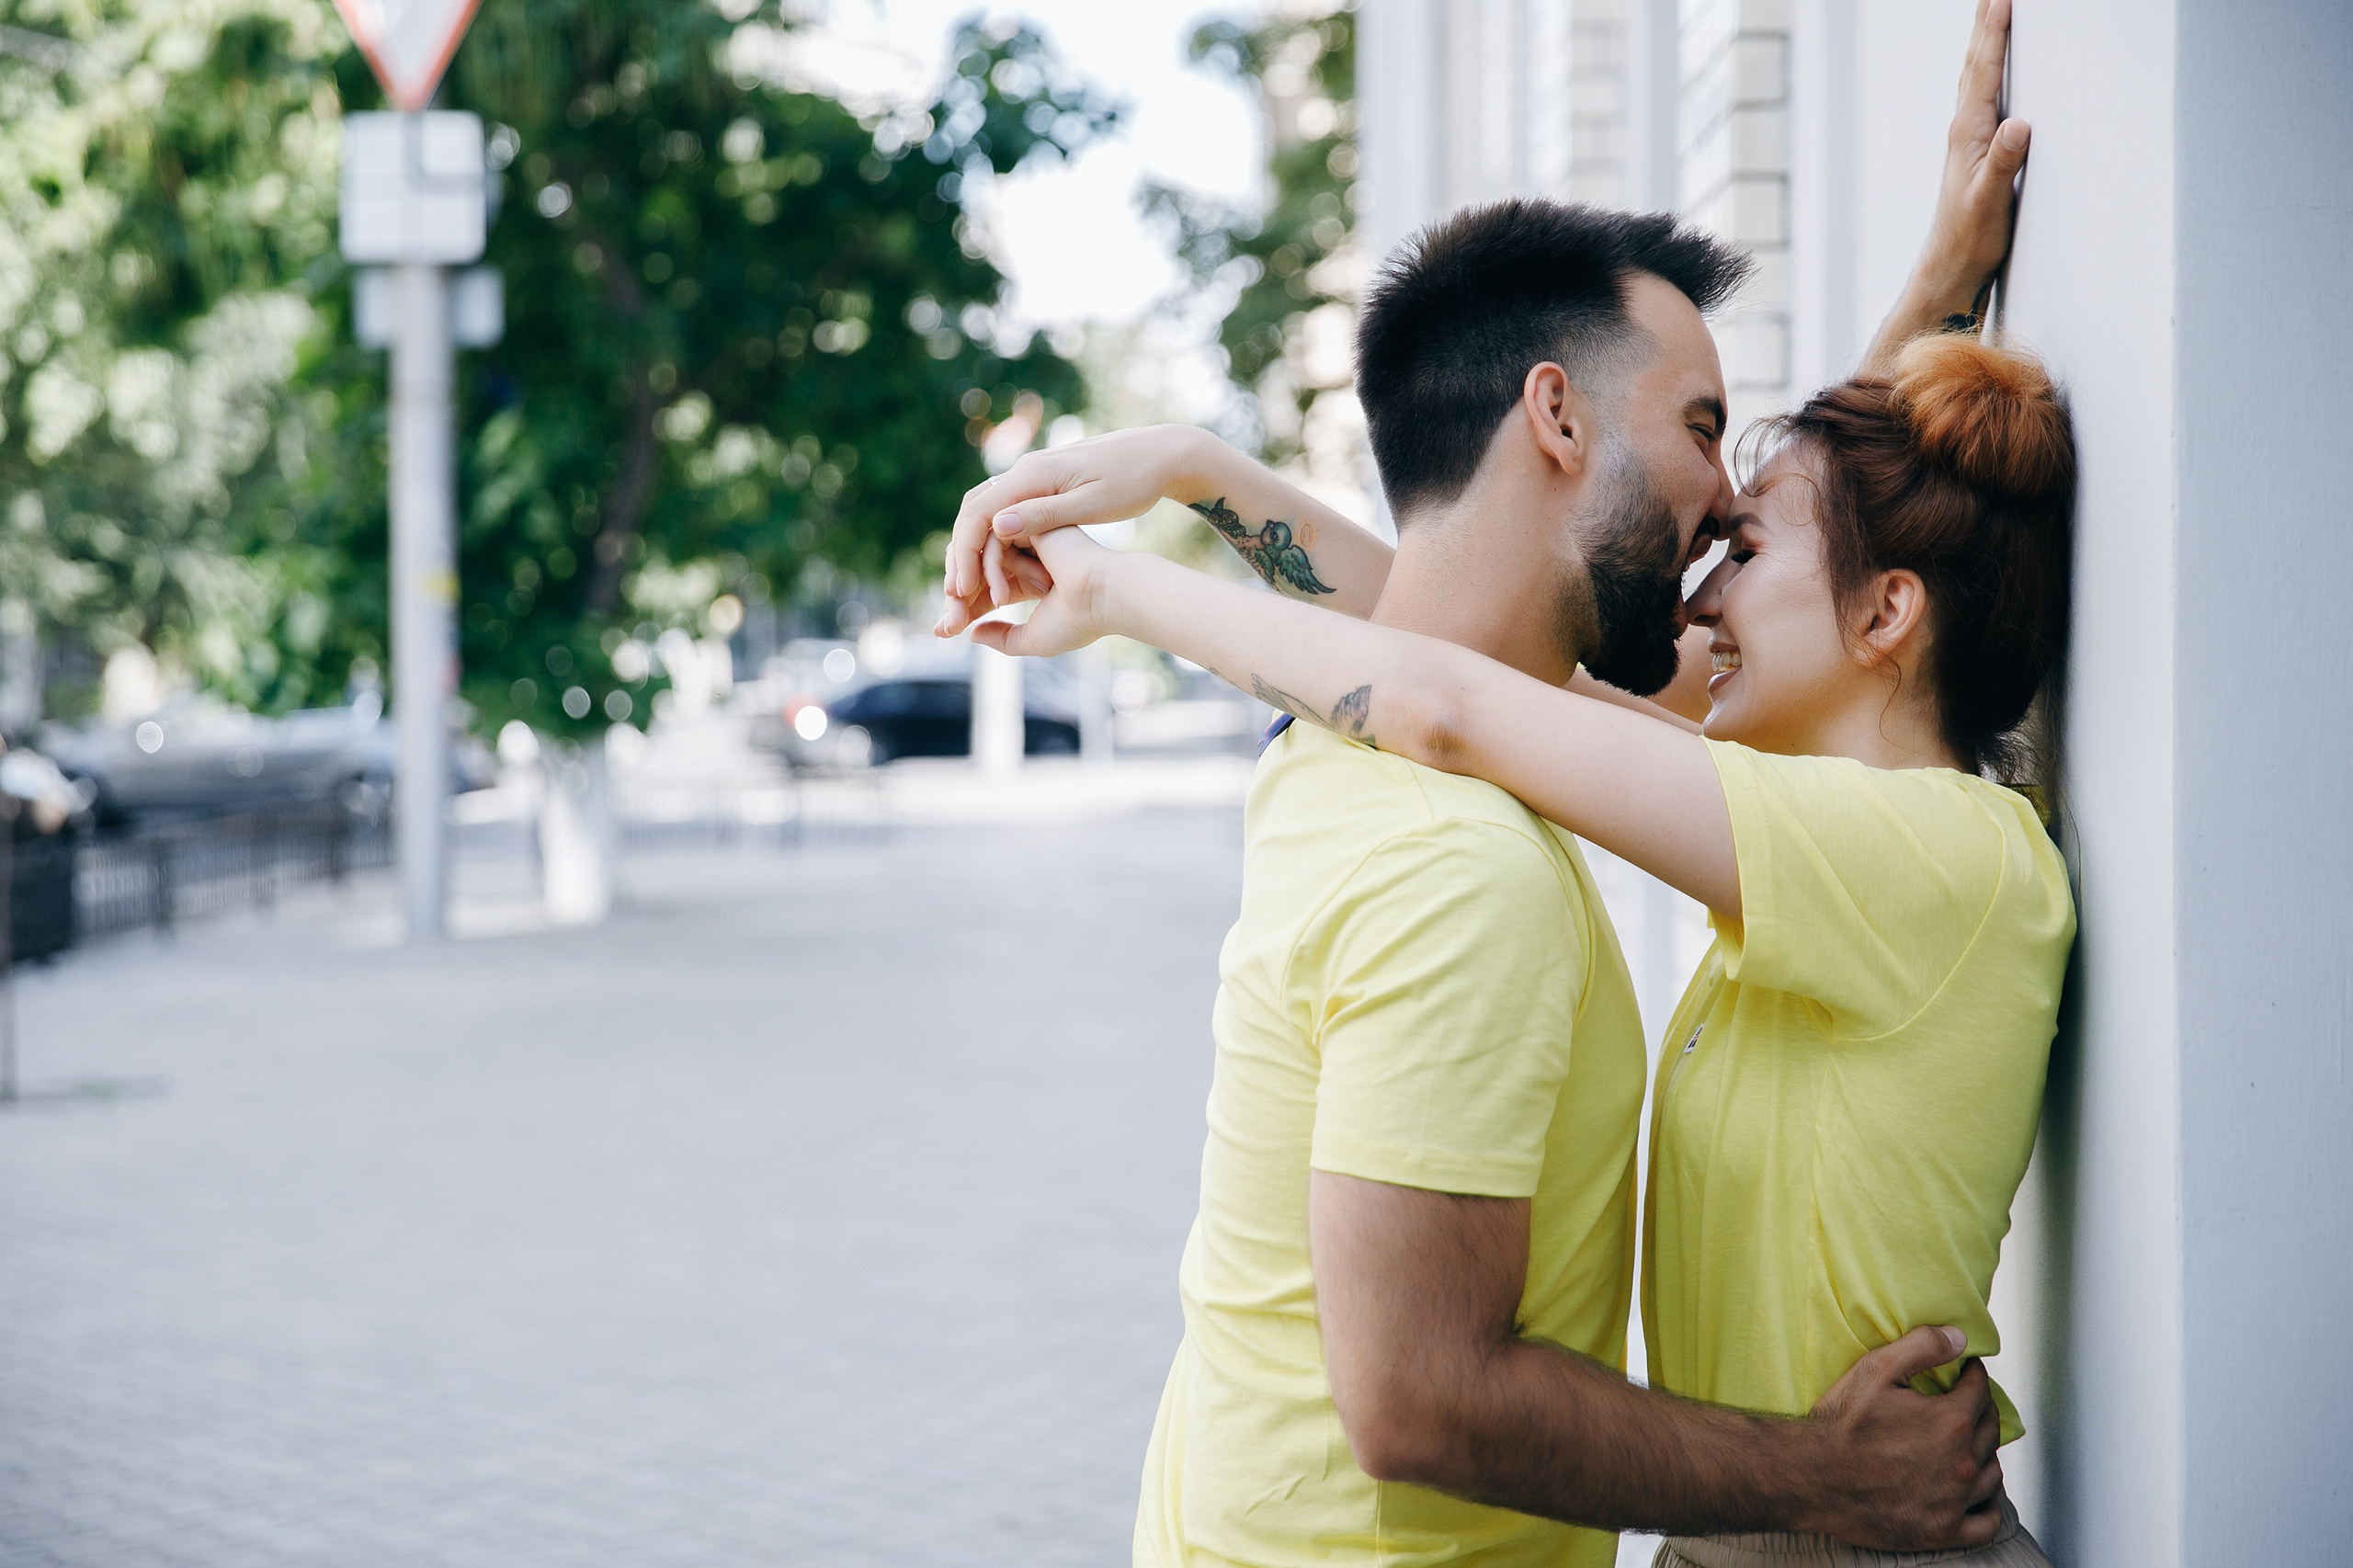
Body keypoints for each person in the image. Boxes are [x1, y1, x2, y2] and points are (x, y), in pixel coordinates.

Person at [936, 7, 2055, 1564]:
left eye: (1754, 511)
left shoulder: (1352, 752)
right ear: (1555, 413)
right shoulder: (1453, 838)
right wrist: (1150, 549)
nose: (1724, 522)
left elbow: (1448, 663)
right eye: (1707, 432)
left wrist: (1195, 491)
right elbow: (1456, 675)